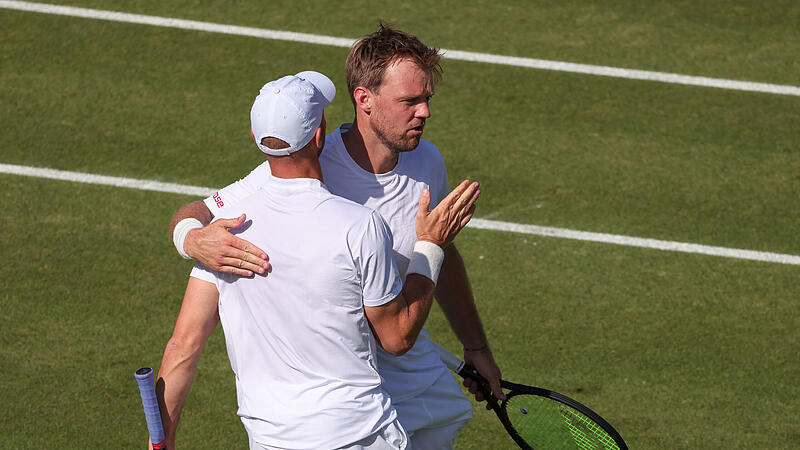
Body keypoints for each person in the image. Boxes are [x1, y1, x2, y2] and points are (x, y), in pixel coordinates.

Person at [169, 25, 503, 449]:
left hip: (409, 375)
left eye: (427, 99)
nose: (424, 112)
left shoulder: (428, 162)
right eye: (409, 101)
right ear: (364, 99)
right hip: (353, 393)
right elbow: (197, 212)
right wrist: (191, 239)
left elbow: (441, 255)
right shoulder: (308, 160)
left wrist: (476, 346)